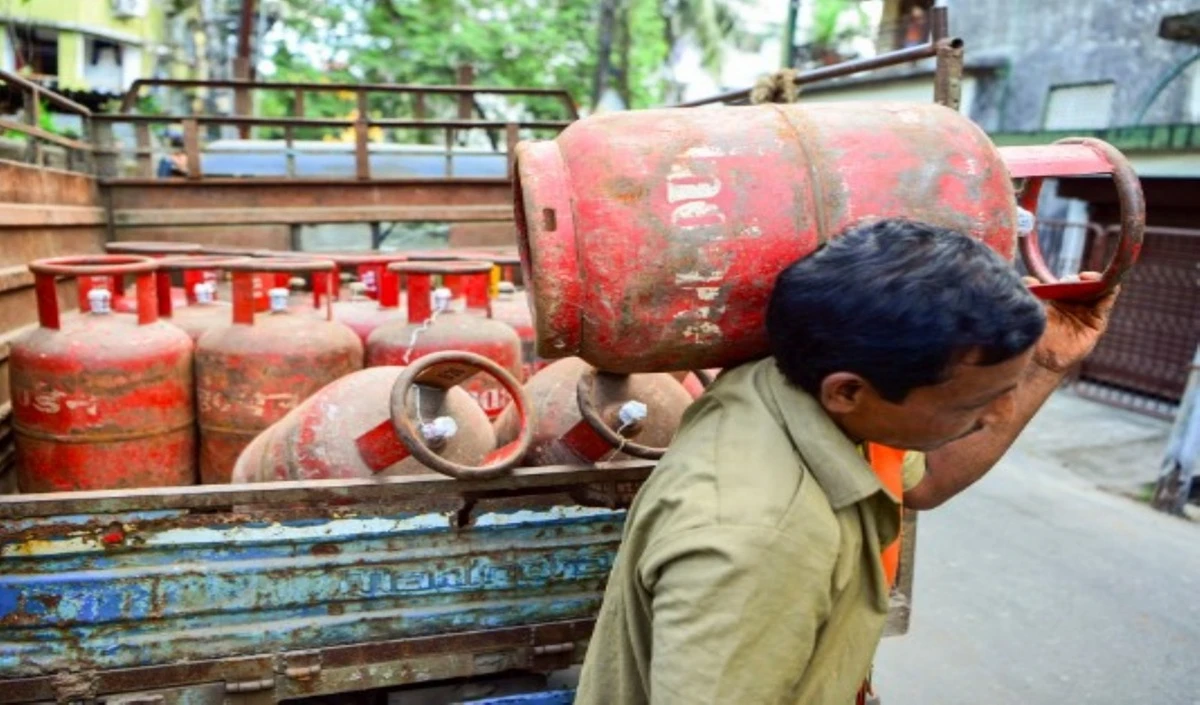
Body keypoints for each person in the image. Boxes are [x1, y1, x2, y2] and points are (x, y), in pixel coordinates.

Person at [574, 219, 1118, 704]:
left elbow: (926, 480)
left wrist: (1046, 364)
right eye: (974, 402)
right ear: (848, 391)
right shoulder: (761, 540)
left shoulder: (791, 380)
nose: (1001, 414)